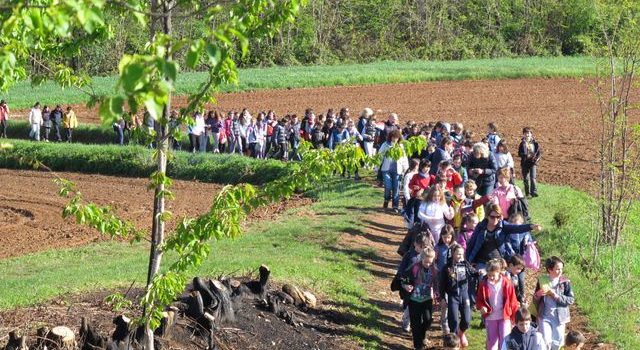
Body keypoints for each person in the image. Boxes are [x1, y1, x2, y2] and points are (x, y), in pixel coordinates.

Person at [532, 256, 575, 350]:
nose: (560, 271)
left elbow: (571, 300)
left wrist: (556, 296)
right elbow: (535, 299)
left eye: (561, 269)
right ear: (549, 269)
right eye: (558, 269)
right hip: (544, 316)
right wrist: (538, 295)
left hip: (559, 318)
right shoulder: (542, 280)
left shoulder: (565, 282)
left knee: (557, 343)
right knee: (545, 342)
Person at [476, 259, 519, 350]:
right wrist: (481, 307)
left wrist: (514, 318)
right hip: (491, 317)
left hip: (504, 316)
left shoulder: (507, 283)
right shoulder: (484, 284)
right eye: (489, 275)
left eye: (493, 275)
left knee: (504, 341)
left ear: (499, 272)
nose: (491, 277)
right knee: (492, 343)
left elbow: (513, 301)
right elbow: (479, 299)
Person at [402, 247, 439, 350]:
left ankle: (421, 335)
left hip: (427, 299)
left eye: (430, 262)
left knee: (428, 320)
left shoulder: (434, 270)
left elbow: (436, 283)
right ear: (421, 258)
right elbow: (404, 278)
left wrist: (436, 292)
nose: (427, 264)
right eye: (426, 262)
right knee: (415, 323)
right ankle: (417, 346)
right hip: (414, 299)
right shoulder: (414, 267)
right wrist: (406, 285)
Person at [440, 244, 477, 348]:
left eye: (462, 254)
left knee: (467, 320)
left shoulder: (465, 265)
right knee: (454, 321)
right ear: (453, 254)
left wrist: (479, 272)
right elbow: (441, 284)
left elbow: (473, 273)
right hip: (452, 296)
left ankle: (461, 333)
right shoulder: (447, 267)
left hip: (464, 295)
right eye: (458, 254)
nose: (460, 256)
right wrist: (442, 298)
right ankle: (454, 344)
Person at [395, 233, 431, 333]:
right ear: (415, 244)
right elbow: (402, 270)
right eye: (420, 247)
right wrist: (405, 284)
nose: (422, 249)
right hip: (409, 284)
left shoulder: (426, 256)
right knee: (409, 305)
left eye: (424, 247)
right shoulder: (409, 255)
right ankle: (406, 321)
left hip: (421, 285)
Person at [379, 129, 409, 212]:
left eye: (396, 138)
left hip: (397, 170)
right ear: (390, 137)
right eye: (393, 137)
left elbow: (404, 158)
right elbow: (380, 155)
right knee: (388, 186)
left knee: (396, 188)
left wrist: (405, 168)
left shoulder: (401, 146)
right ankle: (386, 199)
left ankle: (395, 206)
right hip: (386, 169)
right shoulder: (385, 145)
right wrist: (376, 166)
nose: (395, 139)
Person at [518, 127, 541, 198]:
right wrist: (525, 155)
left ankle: (533, 192)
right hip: (525, 163)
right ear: (523, 134)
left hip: (533, 163)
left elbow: (539, 153)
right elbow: (519, 153)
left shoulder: (535, 143)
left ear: (531, 134)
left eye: (528, 133)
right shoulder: (522, 143)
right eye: (525, 133)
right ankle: (527, 193)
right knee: (526, 179)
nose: (527, 134)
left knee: (533, 178)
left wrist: (536, 159)